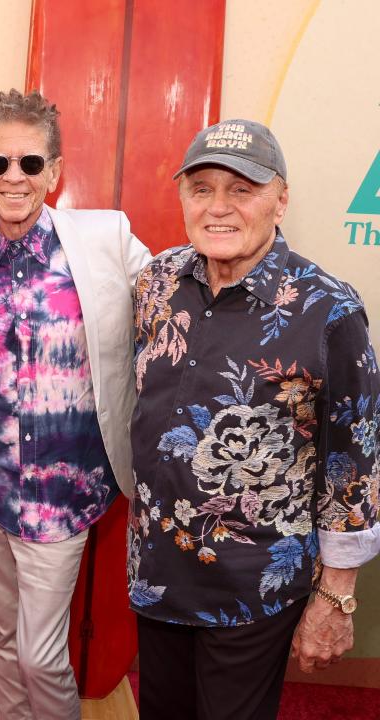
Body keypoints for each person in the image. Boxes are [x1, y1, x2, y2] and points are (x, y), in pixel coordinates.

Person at [129, 119, 380, 720]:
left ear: (280, 198)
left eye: (241, 189)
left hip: (251, 588)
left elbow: (355, 463)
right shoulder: (157, 282)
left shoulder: (328, 310)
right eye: (201, 188)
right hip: (155, 571)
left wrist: (336, 597)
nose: (218, 207)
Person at [0, 89, 150, 720]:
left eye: (31, 163)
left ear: (54, 171)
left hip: (68, 489)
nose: (14, 178)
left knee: (40, 653)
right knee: (5, 639)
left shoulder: (105, 236)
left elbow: (179, 291)